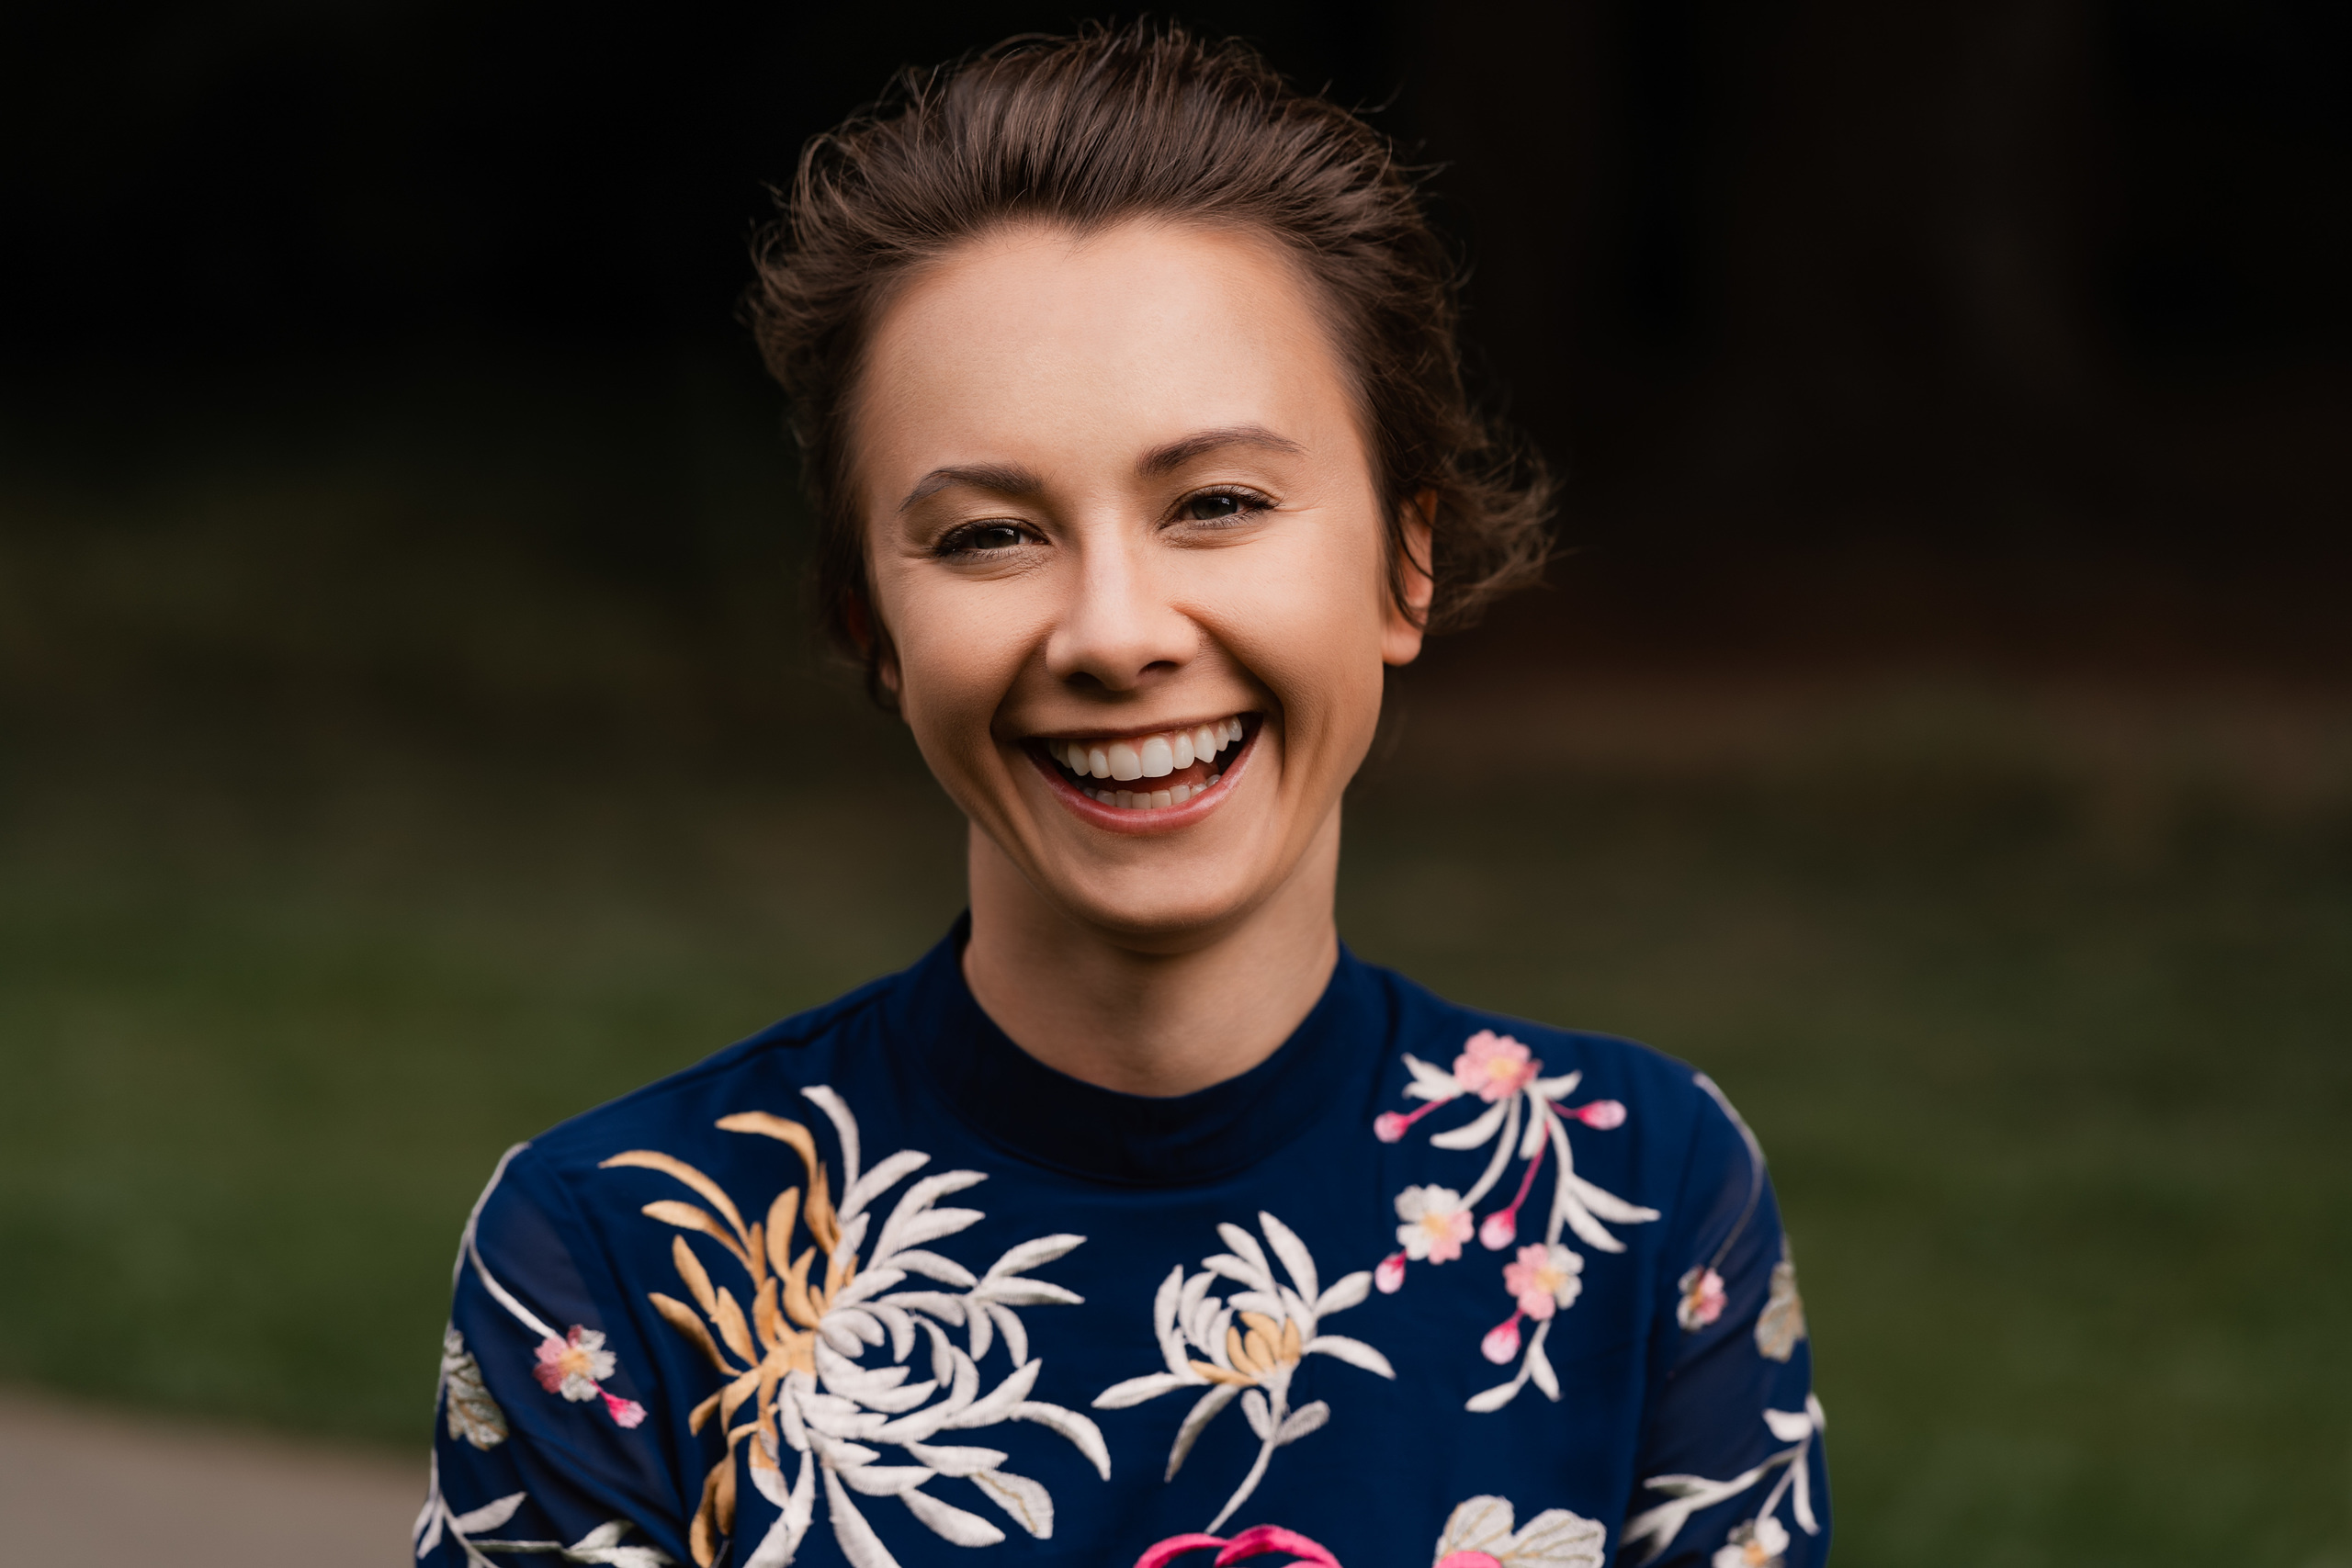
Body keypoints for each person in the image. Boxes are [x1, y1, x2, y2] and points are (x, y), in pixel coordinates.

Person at [413, 24, 1826, 1568]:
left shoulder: (1637, 1196)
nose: (1115, 632)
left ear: (1402, 563)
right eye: (988, 536)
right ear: (869, 629)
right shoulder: (618, 1257)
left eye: (1217, 505)